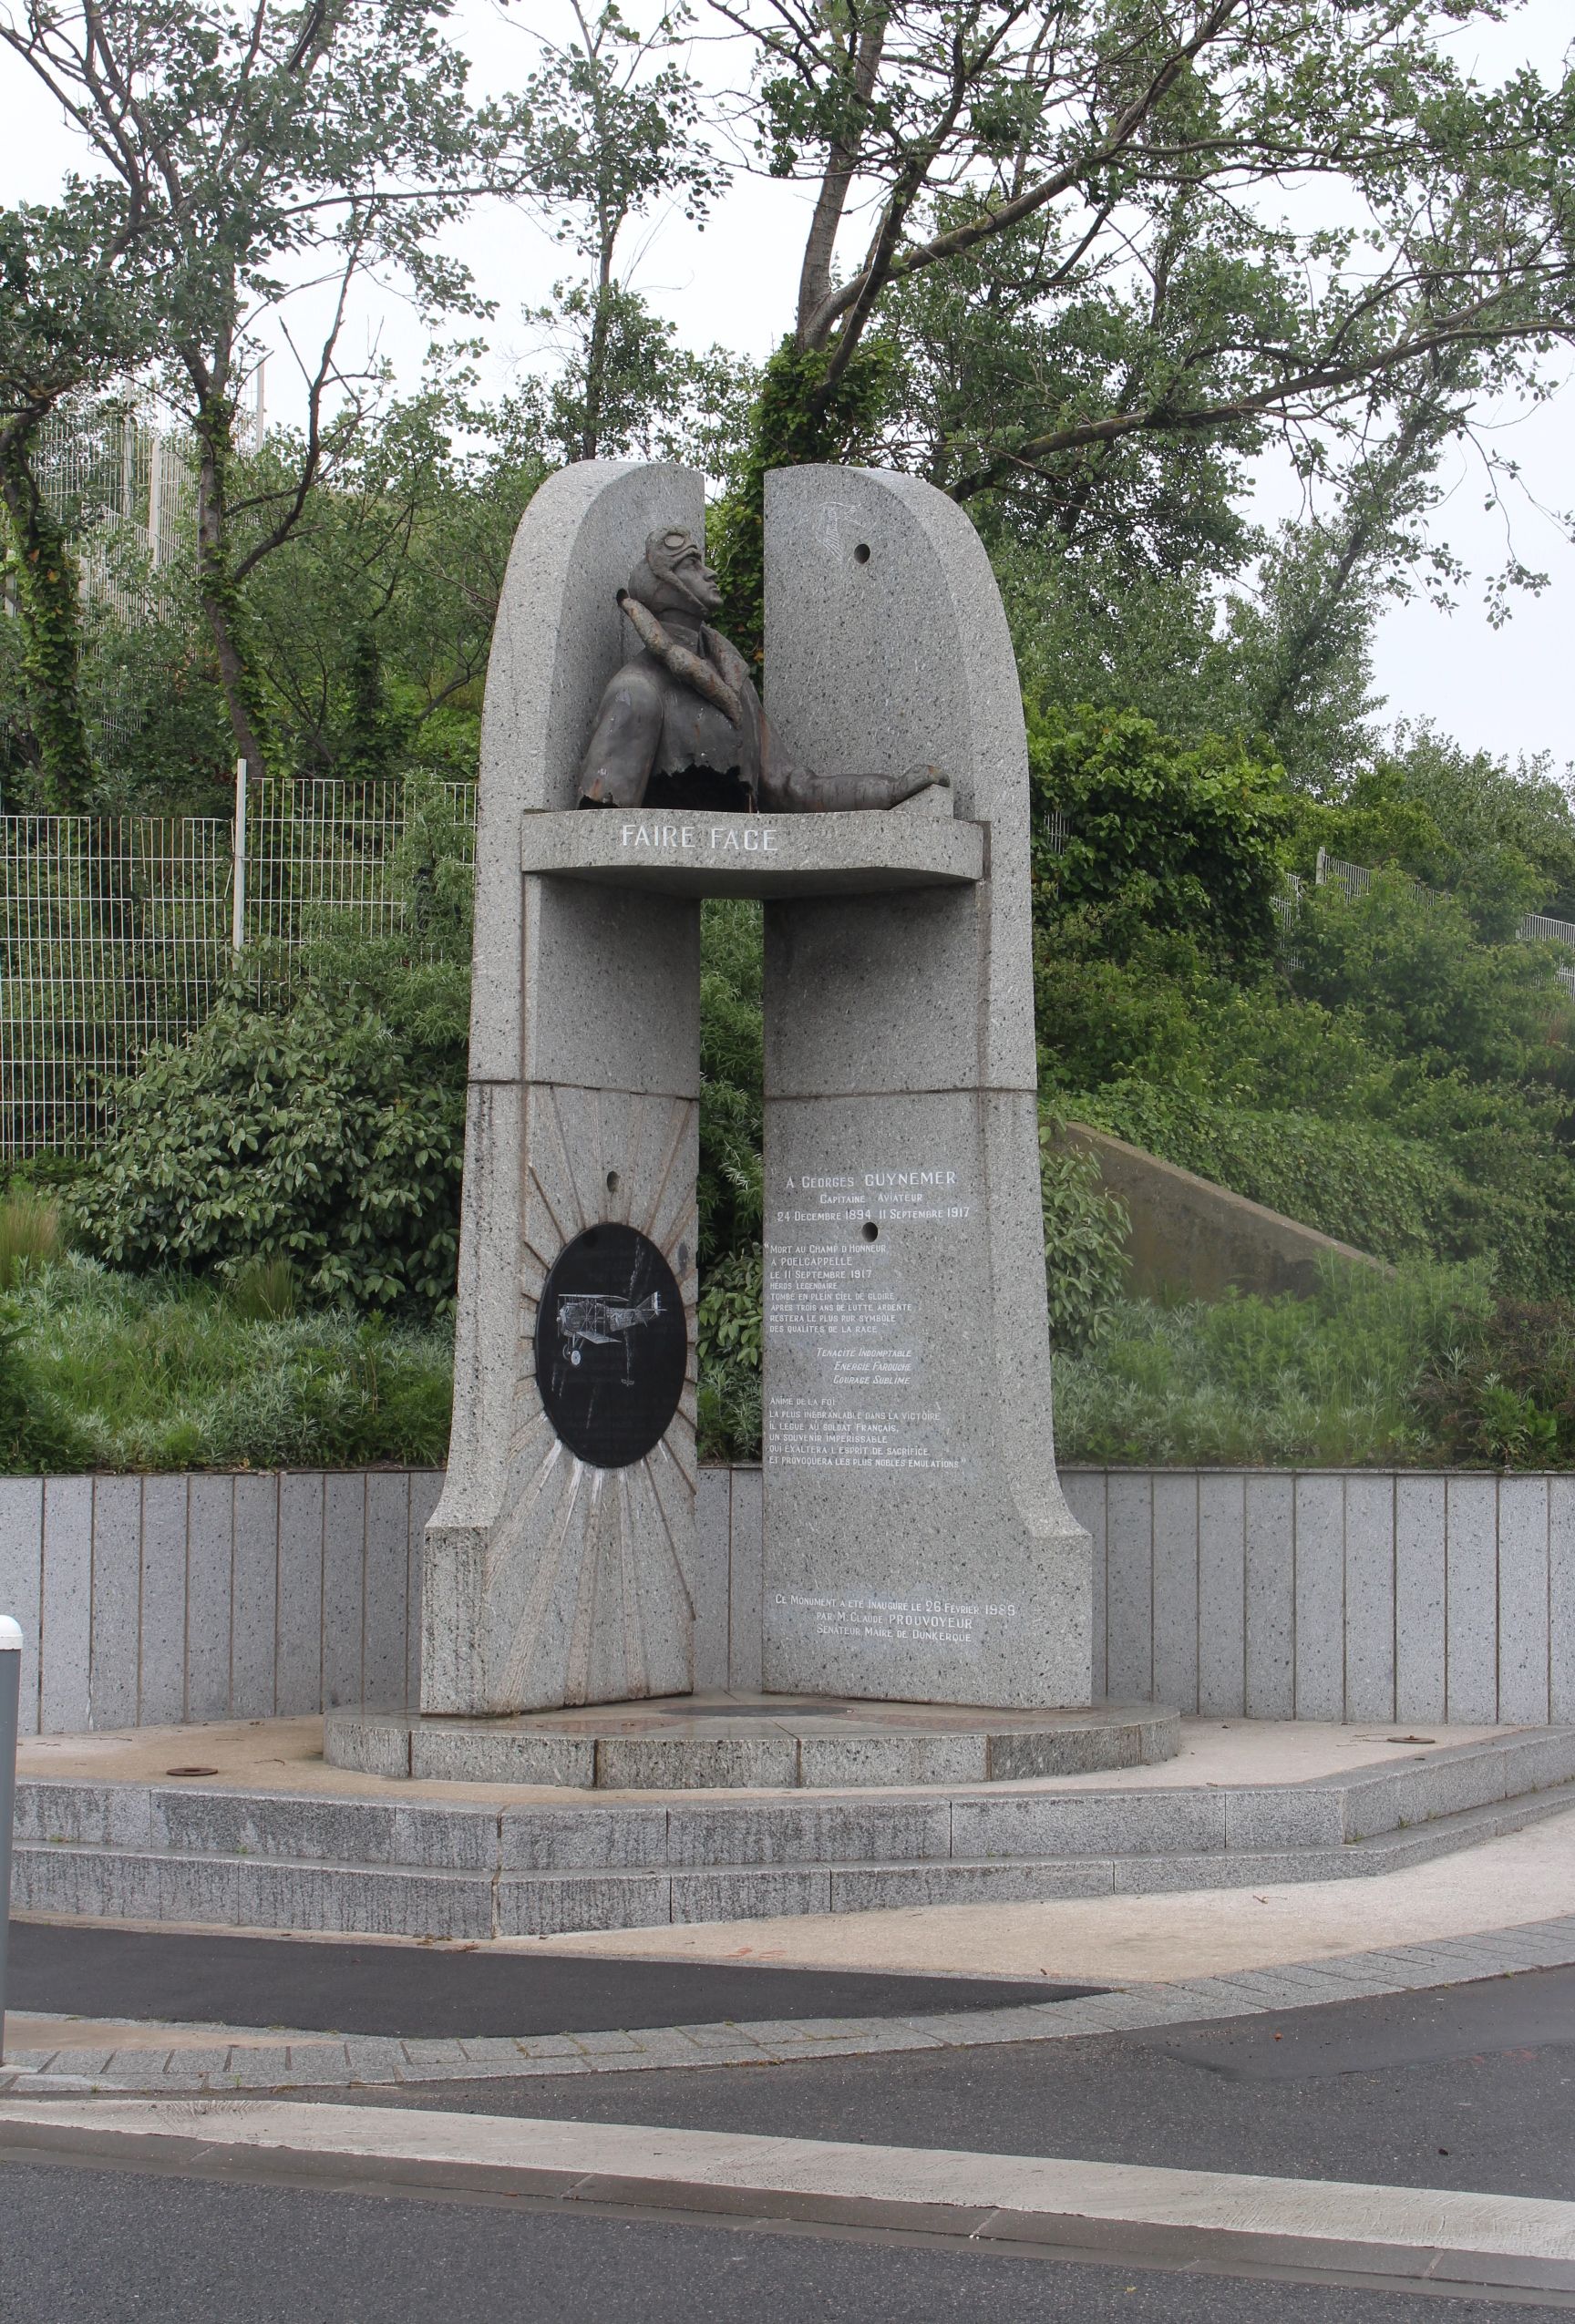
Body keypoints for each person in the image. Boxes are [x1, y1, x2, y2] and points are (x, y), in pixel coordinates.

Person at [577, 527, 945, 813]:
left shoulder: (733, 682)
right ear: (663, 585)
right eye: (692, 565)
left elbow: (789, 787)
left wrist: (890, 791)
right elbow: (604, 832)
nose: (710, 573)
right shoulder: (637, 693)